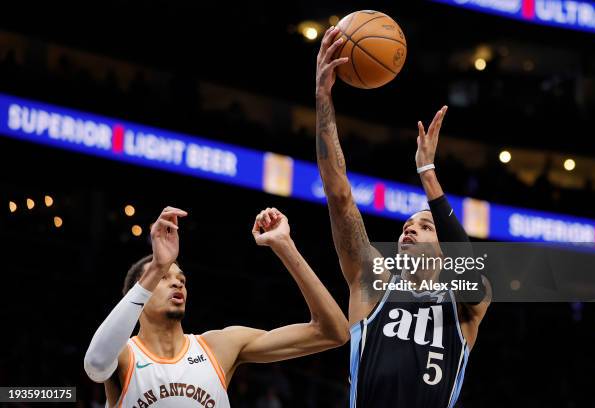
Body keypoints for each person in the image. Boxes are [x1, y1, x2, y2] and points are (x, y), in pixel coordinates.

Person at [315, 26, 492, 408]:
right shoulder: (373, 280)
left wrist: (429, 175)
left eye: (425, 225)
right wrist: (323, 98)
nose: (410, 229)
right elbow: (339, 195)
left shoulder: (464, 307)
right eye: (407, 226)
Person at [84, 206, 349, 407]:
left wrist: (285, 246)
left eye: (181, 279)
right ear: (138, 294)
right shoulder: (125, 355)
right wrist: (157, 266)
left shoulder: (219, 347)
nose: (177, 284)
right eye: (164, 277)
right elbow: (95, 365)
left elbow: (333, 332)